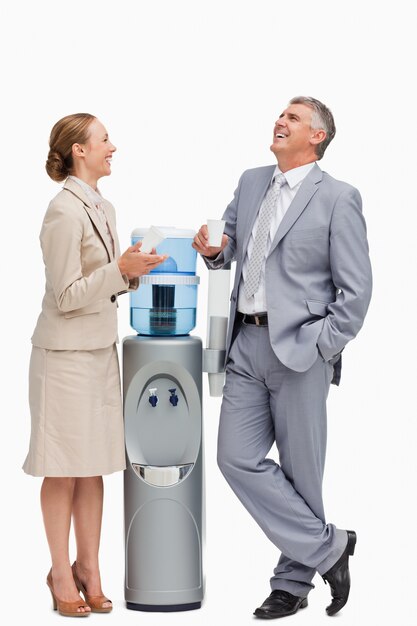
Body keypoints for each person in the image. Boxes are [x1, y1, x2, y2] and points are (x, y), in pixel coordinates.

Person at [193, 96, 372, 619]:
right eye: (281, 115)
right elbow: (230, 249)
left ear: (317, 136)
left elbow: (356, 293)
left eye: (293, 118)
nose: (280, 121)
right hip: (245, 345)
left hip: (300, 350)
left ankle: (291, 584)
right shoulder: (252, 182)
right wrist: (212, 250)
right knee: (234, 457)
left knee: (301, 472)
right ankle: (329, 548)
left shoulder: (338, 197)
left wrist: (321, 345)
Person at [22, 113, 167, 617]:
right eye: (104, 139)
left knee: (94, 470)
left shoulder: (102, 206)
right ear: (79, 150)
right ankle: (61, 573)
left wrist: (131, 272)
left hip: (99, 352)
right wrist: (117, 270)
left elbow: (102, 285)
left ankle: (91, 569)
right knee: (63, 470)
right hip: (63, 359)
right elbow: (65, 296)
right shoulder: (63, 211)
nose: (113, 147)